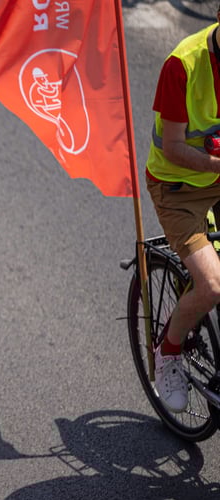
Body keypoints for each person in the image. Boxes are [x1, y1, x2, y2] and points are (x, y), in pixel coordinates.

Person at [146, 9, 220, 414]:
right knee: (211, 286)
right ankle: (169, 350)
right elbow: (172, 146)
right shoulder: (183, 63)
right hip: (177, 186)